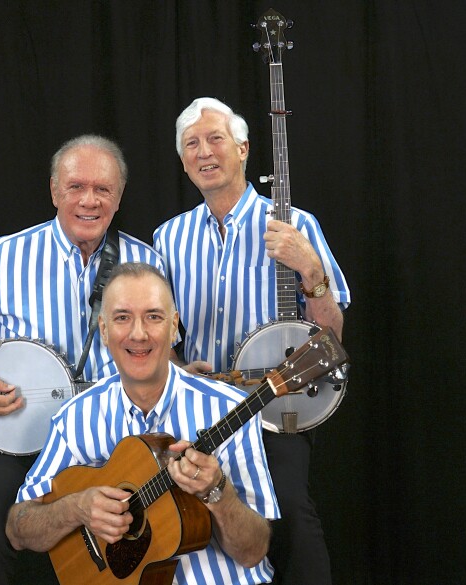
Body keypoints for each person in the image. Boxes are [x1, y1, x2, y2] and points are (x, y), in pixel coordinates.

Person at [0, 135, 166, 585]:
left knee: (145, 539)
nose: (89, 200)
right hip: (19, 438)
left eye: (102, 190)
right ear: (54, 191)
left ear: (119, 196)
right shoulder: (5, 256)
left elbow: (162, 354)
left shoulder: (146, 264)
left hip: (112, 437)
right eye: (76, 187)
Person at [153, 97, 351, 585]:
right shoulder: (168, 238)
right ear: (182, 162)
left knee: (290, 522)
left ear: (242, 149)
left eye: (215, 139)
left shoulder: (295, 225)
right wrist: (177, 368)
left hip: (271, 408)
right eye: (192, 144)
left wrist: (311, 268)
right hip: (202, 412)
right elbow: (158, 333)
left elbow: (331, 339)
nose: (204, 152)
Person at [5, 262, 279, 584]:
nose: (138, 334)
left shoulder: (229, 408)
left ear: (174, 327)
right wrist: (77, 508)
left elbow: (253, 551)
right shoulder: (75, 418)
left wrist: (216, 490)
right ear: (104, 331)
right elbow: (18, 527)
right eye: (123, 318)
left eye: (154, 316)